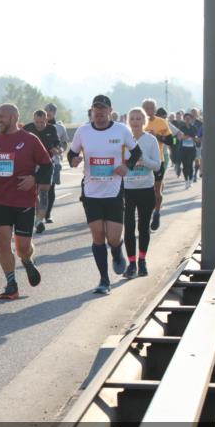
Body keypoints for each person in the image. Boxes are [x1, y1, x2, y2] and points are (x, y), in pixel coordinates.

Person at [68, 94, 143, 295]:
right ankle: (104, 280)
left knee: (113, 236)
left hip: (113, 191)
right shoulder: (83, 131)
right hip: (91, 192)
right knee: (98, 235)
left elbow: (136, 152)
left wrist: (126, 166)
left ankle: (117, 250)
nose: (99, 113)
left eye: (103, 110)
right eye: (96, 110)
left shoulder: (121, 130)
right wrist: (74, 160)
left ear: (110, 111)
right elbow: (72, 153)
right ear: (92, 111)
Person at [0, 104, 52, 299]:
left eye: (1, 117)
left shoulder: (29, 140)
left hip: (24, 202)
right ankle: (11, 284)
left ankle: (27, 261)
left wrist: (34, 179)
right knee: (3, 243)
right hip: (1, 200)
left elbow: (47, 166)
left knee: (23, 248)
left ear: (13, 117)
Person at [122, 108, 163, 278]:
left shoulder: (150, 140)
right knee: (129, 228)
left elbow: (158, 166)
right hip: (128, 190)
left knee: (143, 227)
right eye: (132, 118)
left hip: (146, 189)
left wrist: (143, 160)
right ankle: (131, 263)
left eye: (139, 118)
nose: (136, 121)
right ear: (128, 121)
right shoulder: (123, 141)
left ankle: (142, 261)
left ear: (143, 121)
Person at [22, 110, 62, 234]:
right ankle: (35, 216)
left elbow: (57, 146)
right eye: (37, 122)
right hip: (31, 164)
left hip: (46, 164)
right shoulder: (27, 128)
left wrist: (57, 150)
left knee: (43, 192)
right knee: (32, 192)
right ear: (33, 120)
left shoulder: (51, 129)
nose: (39, 125)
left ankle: (39, 220)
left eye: (42, 122)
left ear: (46, 120)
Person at [140, 98, 177, 231]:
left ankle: (156, 213)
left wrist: (158, 137)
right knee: (144, 192)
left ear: (155, 110)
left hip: (158, 160)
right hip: (141, 163)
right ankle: (146, 215)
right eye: (146, 108)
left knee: (157, 190)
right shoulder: (137, 122)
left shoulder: (161, 122)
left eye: (151, 108)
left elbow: (172, 141)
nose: (148, 111)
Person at [43, 103, 68, 224]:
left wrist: (61, 150)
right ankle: (39, 212)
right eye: (46, 110)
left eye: (51, 111)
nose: (48, 112)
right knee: (39, 188)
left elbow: (64, 143)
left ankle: (47, 214)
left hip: (55, 161)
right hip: (38, 162)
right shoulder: (38, 125)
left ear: (54, 112)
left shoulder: (60, 127)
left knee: (51, 188)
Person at [175, 112, 199, 188]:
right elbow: (177, 138)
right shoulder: (181, 128)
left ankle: (191, 179)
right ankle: (186, 180)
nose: (188, 120)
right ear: (184, 119)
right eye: (186, 119)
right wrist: (183, 137)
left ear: (191, 119)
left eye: (189, 119)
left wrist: (193, 138)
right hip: (183, 149)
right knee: (185, 166)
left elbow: (197, 138)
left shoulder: (194, 128)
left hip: (191, 149)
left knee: (190, 164)